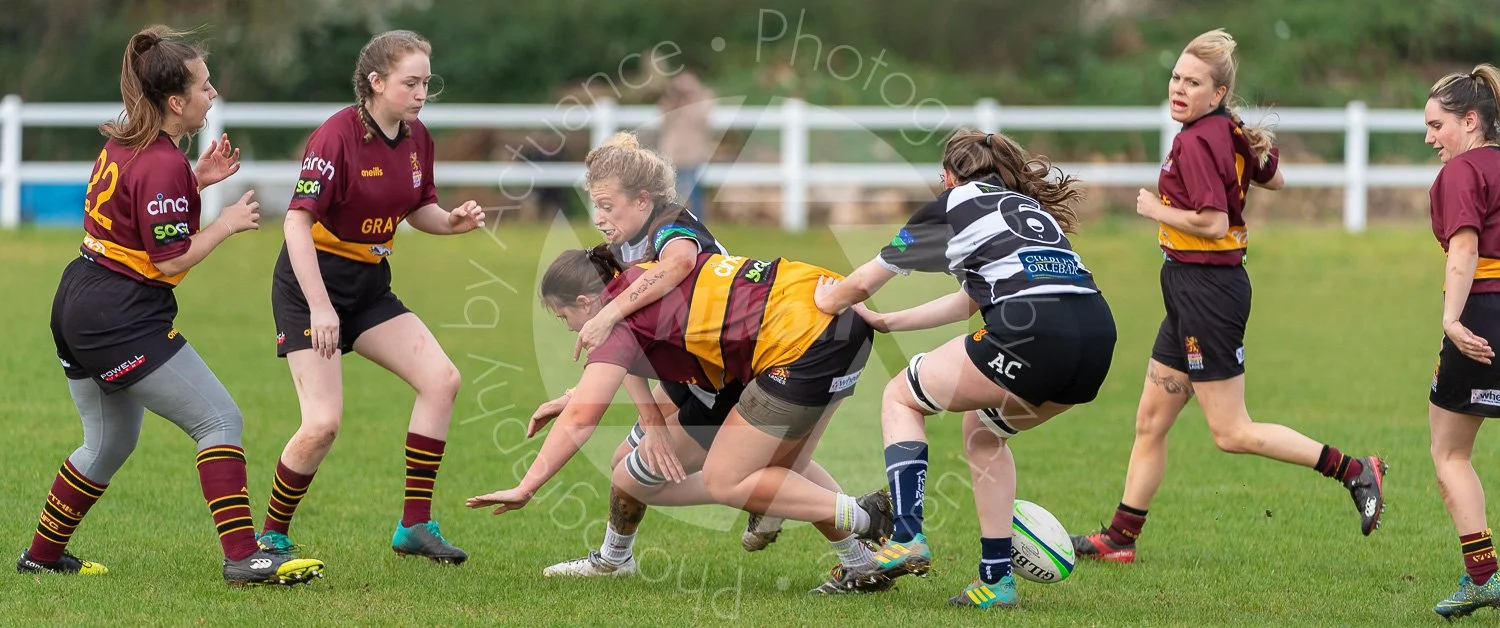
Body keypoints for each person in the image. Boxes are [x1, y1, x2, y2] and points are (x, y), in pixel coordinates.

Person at [16, 25, 325, 586]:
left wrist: (195, 180)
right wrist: (227, 223)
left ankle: (41, 556)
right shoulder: (161, 162)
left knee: (107, 442)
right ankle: (243, 557)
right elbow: (169, 261)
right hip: (118, 314)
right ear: (176, 100)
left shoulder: (130, 142)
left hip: (79, 299)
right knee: (219, 419)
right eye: (205, 87)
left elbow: (137, 209)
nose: (213, 96)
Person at [1070, 28, 1386, 565]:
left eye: (1193, 82)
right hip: (1190, 288)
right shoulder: (1225, 127)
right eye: (1175, 77)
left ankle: (1354, 469)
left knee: (1231, 430)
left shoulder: (1197, 139)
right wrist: (1248, 142)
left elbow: (1214, 222)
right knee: (1151, 420)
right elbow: (1277, 179)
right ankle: (1121, 537)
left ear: (1216, 94)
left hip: (1208, 292)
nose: (1179, 88)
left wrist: (1155, 210)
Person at [469, 247, 895, 593]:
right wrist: (577, 394)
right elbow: (624, 371)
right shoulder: (642, 272)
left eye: (565, 318)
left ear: (586, 303)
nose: (568, 329)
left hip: (783, 352)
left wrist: (527, 487)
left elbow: (585, 416)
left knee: (697, 478)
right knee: (651, 466)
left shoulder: (618, 316)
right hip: (816, 319)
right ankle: (857, 560)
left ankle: (861, 518)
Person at [815, 128, 1116, 608]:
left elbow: (862, 281)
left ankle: (907, 535)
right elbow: (971, 300)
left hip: (1031, 334)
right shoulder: (1024, 210)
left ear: (948, 176)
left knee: (899, 396)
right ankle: (996, 582)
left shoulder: (951, 205)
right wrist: (891, 321)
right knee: (982, 432)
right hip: (1098, 340)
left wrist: (823, 298)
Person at [257, 30, 486, 563]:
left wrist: (450, 222)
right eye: (411, 82)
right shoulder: (335, 137)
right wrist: (319, 306)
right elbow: (295, 222)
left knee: (441, 379)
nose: (421, 92)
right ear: (376, 82)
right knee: (322, 424)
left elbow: (416, 208)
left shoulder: (416, 137)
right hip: (310, 285)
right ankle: (271, 534)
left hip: (368, 287)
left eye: (427, 82)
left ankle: (415, 525)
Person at [529, 132, 793, 578]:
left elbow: (679, 266)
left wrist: (607, 314)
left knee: (643, 475)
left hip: (722, 374)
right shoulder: (622, 248)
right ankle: (615, 560)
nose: (598, 218)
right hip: (687, 373)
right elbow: (626, 345)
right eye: (595, 206)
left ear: (642, 200)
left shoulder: (673, 225)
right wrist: (593, 396)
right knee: (624, 468)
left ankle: (834, 521)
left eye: (606, 206)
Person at [1423, 63, 1500, 619]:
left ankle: (1484, 577)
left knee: (1450, 452)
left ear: (1470, 121)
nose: (1430, 139)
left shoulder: (1462, 172)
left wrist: (1452, 321)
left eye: (1436, 125)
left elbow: (1465, 249)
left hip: (1484, 312)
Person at [657, 71, 715, 220]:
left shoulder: (702, 103)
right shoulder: (670, 104)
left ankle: (696, 222)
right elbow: (665, 117)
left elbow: (701, 118)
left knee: (693, 193)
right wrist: (675, 98)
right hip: (672, 155)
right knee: (671, 192)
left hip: (692, 155)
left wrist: (691, 98)